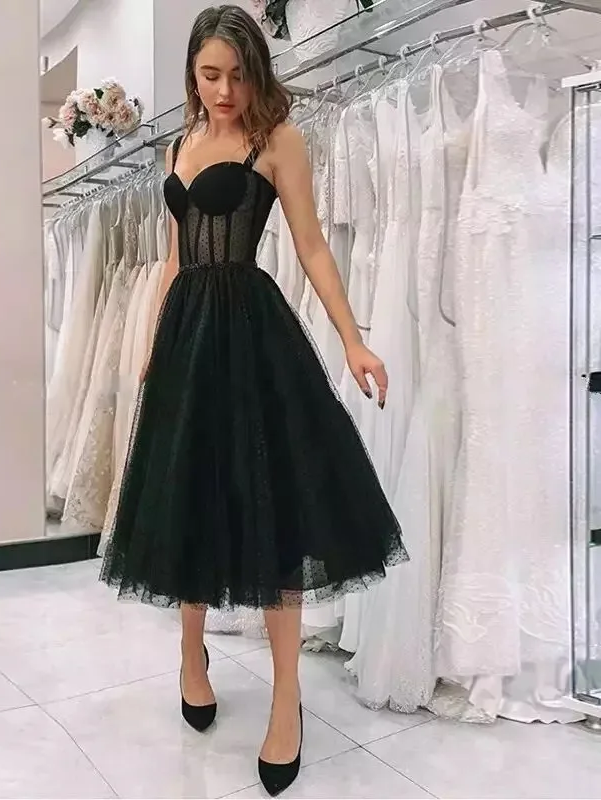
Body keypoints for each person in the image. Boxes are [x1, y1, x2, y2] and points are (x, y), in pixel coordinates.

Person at [100, 5, 407, 795]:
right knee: (188, 497)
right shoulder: (177, 143)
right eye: (210, 75)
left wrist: (354, 339)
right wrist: (153, 342)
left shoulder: (278, 141)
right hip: (187, 338)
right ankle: (189, 653)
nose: (225, 90)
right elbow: (176, 258)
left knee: (274, 512)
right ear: (192, 74)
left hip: (252, 334)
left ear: (256, 74)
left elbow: (312, 246)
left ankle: (286, 698)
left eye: (238, 75)